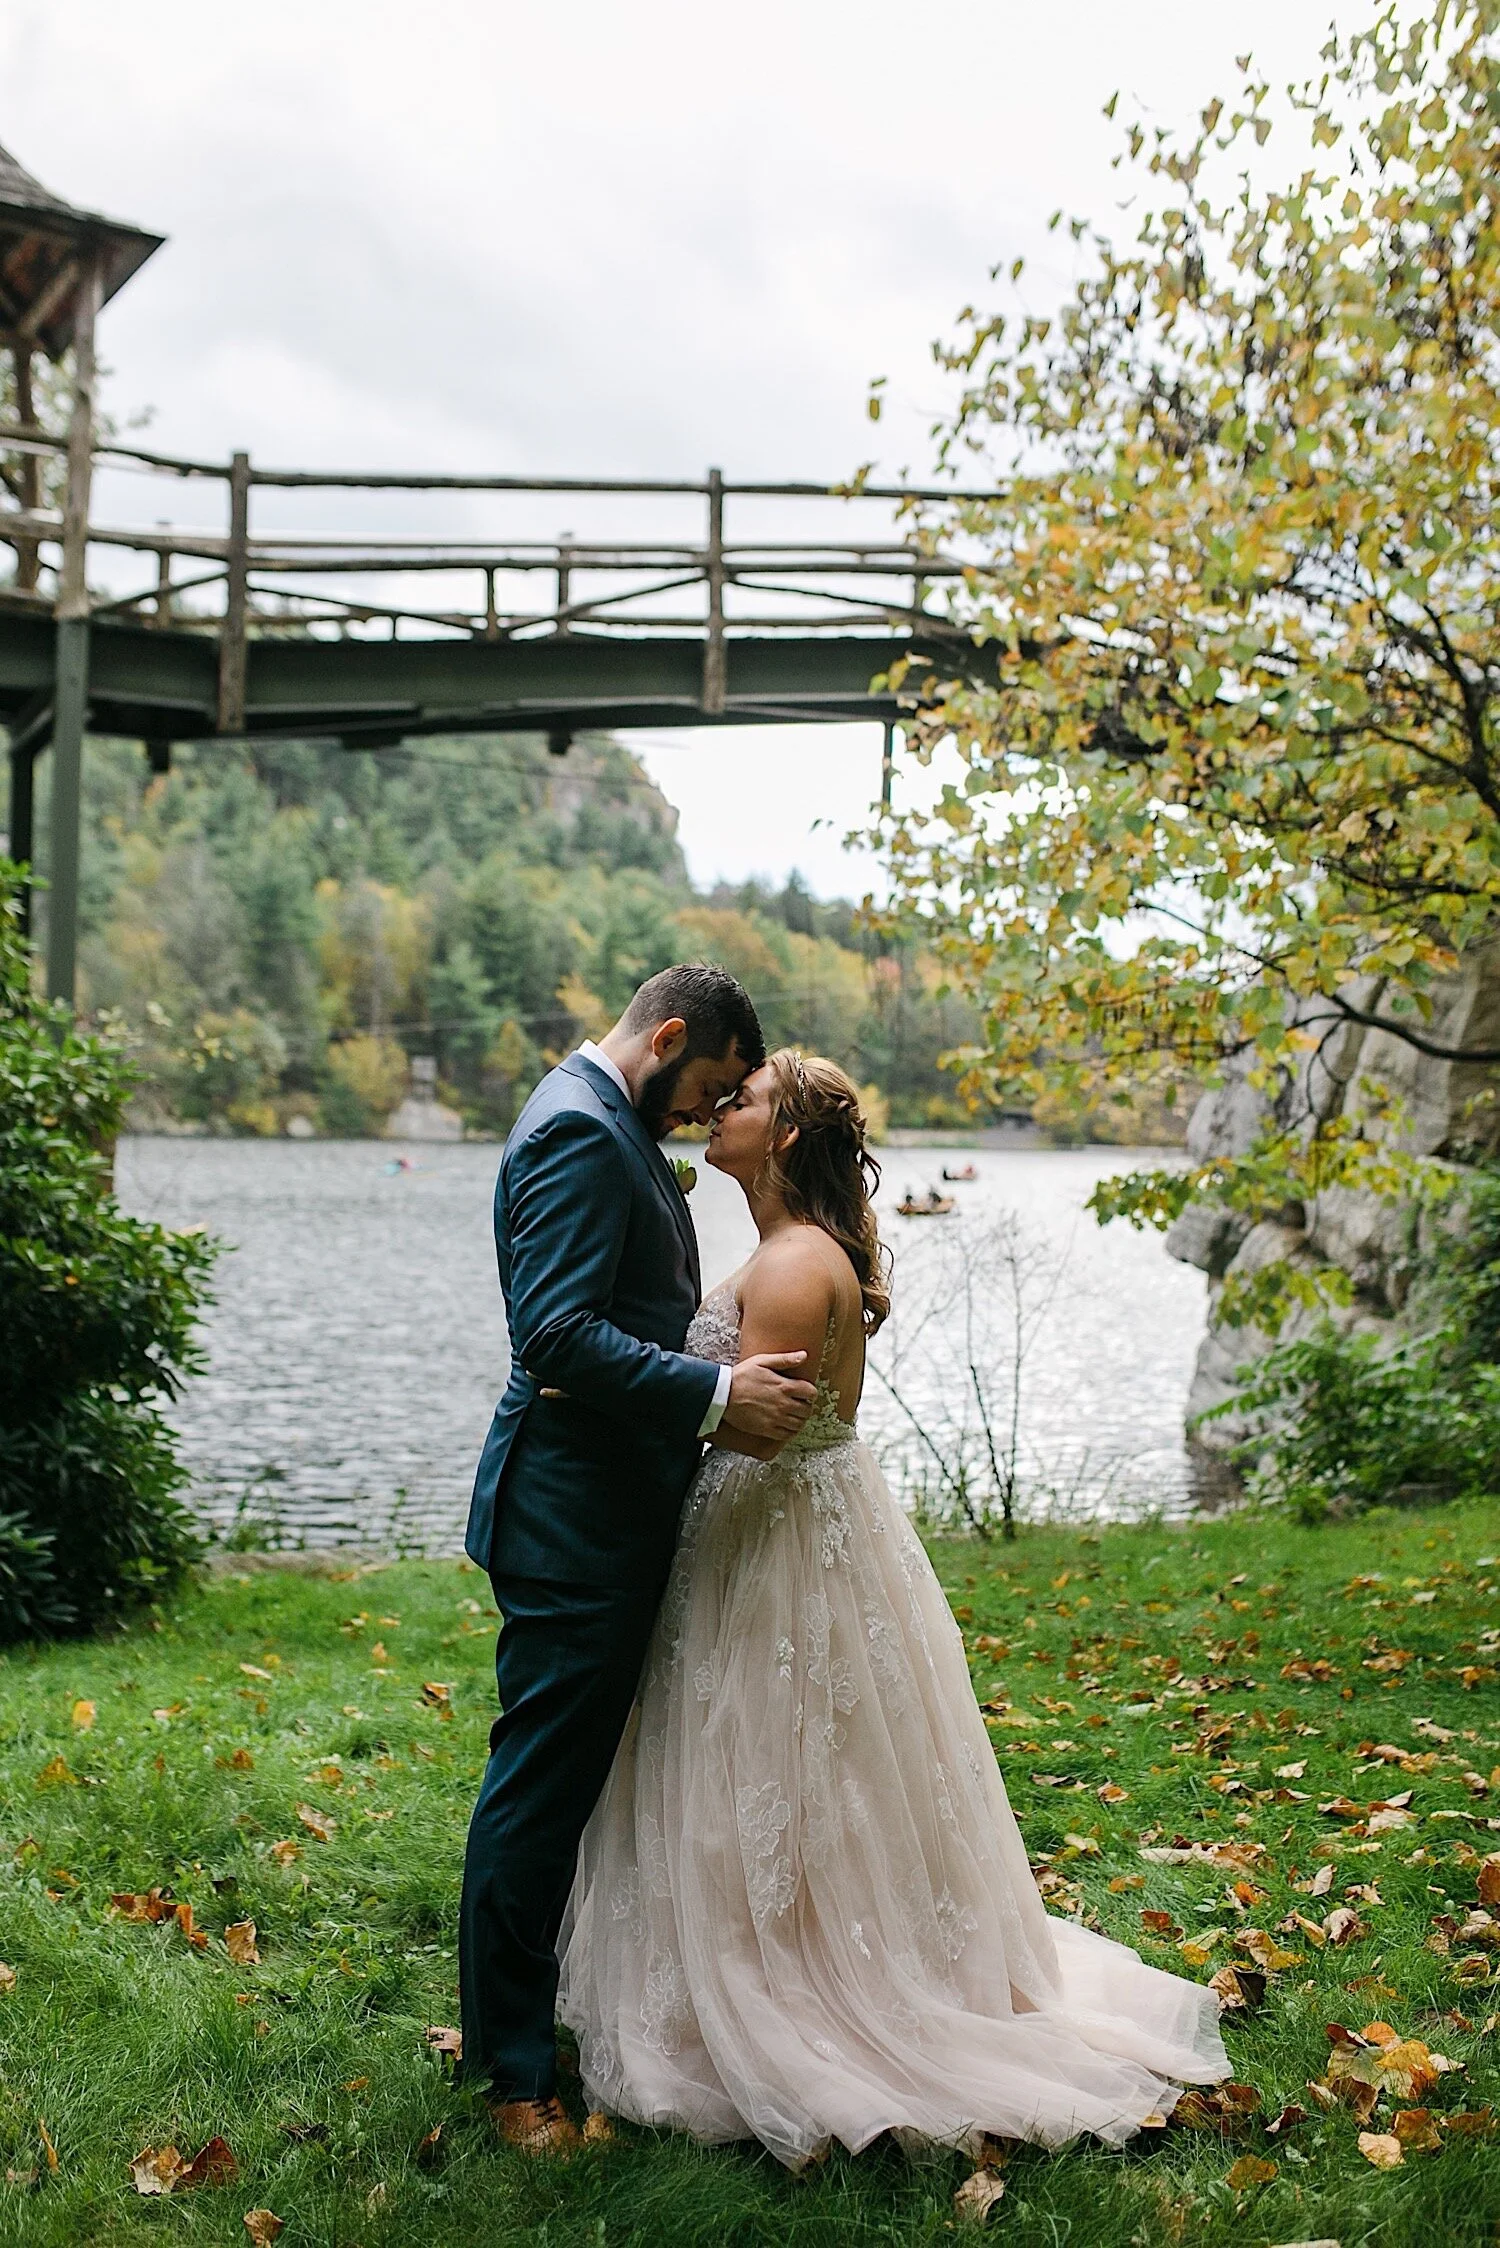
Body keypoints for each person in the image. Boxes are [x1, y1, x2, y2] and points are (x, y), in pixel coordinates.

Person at [558, 1050, 1229, 2168]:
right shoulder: (795, 1249)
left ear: (781, 1138)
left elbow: (759, 1422)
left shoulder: (789, 1265)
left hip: (769, 1528)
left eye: (744, 1100)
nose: (719, 1111)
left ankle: (798, 1981)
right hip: (794, 1521)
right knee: (810, 1764)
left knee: (772, 1756)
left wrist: (589, 1389)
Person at [460, 967, 819, 2154]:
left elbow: (617, 1311)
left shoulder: (605, 1116)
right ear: (666, 1036)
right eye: (706, 1085)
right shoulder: (577, 1129)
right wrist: (715, 1393)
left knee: (565, 1784)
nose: (699, 1114)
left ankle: (544, 2015)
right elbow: (554, 1331)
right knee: (540, 1787)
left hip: (602, 1509)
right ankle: (514, 2077)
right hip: (571, 1523)